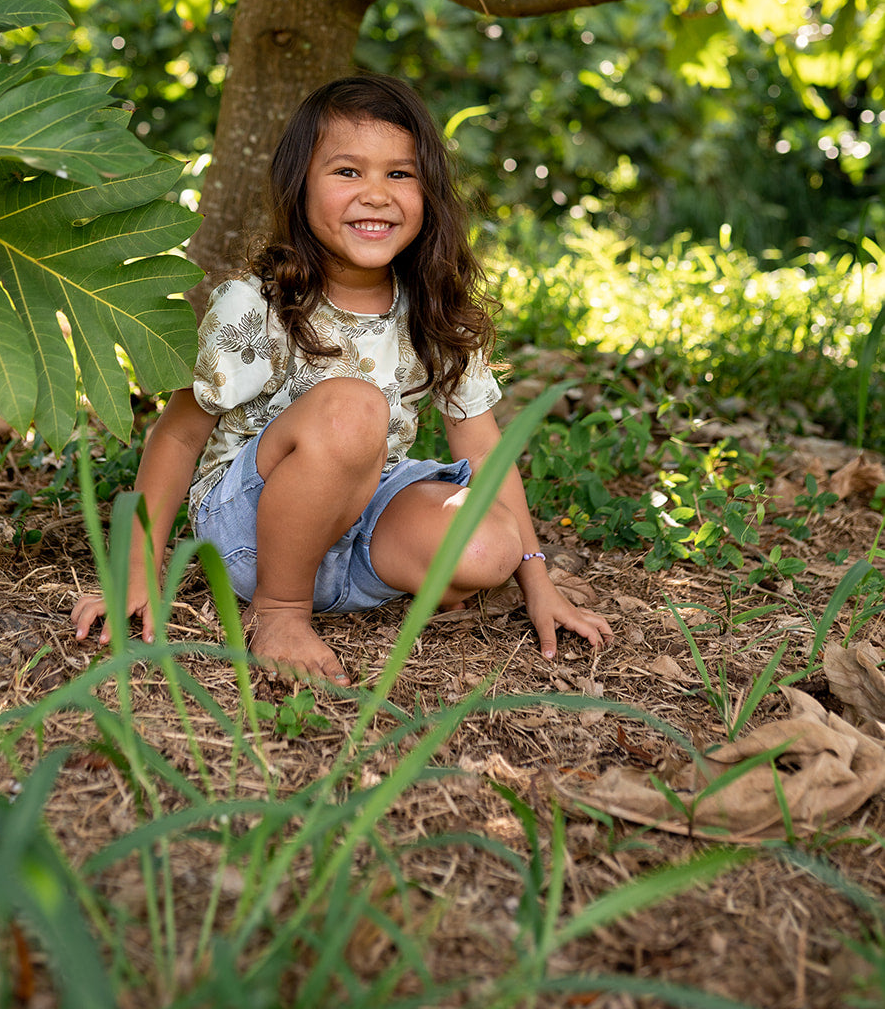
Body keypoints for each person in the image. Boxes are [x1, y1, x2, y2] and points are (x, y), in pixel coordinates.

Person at [72, 74, 613, 685]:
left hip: (361, 521)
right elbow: (176, 437)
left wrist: (537, 582)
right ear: (299, 186)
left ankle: (342, 581)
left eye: (400, 174)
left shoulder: (431, 309)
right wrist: (137, 574)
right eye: (348, 172)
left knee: (490, 544)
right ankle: (278, 610)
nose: (376, 195)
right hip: (247, 524)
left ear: (430, 192)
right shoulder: (255, 305)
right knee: (355, 409)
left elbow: (484, 448)